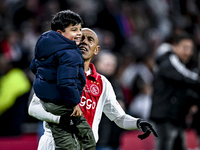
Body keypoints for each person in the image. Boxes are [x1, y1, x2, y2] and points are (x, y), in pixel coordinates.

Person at [29, 28, 158, 150]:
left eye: (90, 40)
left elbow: (119, 117)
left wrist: (138, 123)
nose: (84, 42)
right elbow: (33, 108)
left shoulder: (103, 83)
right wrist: (60, 119)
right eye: (80, 38)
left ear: (96, 50)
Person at [29, 10, 95, 150]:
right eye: (73, 30)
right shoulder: (69, 53)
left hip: (48, 100)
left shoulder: (45, 46)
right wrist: (74, 103)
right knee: (72, 142)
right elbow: (66, 82)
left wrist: (48, 81)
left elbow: (34, 66)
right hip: (61, 103)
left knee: (84, 136)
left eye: (79, 29)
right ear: (60, 33)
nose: (79, 33)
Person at [150, 32, 200, 150]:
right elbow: (186, 79)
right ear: (175, 47)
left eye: (190, 49)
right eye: (185, 48)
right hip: (165, 116)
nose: (188, 52)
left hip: (177, 117)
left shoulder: (185, 64)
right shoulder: (169, 62)